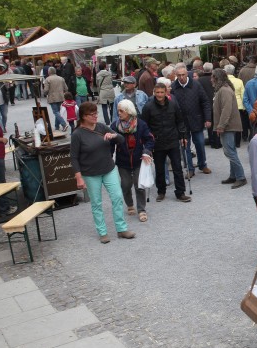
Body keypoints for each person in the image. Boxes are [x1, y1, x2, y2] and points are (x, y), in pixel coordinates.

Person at [69, 102, 135, 244]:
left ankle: (121, 229)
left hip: (108, 168)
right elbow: (73, 157)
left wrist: (113, 136)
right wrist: (78, 177)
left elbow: (121, 139)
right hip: (90, 173)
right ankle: (102, 232)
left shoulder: (101, 127)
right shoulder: (77, 134)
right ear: (83, 116)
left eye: (96, 113)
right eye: (91, 114)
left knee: (117, 197)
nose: (95, 116)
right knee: (96, 203)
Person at [141, 83, 191, 204]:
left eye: (162, 92)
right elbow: (144, 125)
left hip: (172, 140)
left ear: (166, 93)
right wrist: (148, 139)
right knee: (159, 169)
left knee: (177, 167)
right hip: (157, 142)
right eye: (157, 92)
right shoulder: (148, 107)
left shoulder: (173, 104)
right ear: (154, 92)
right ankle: (161, 191)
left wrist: (183, 135)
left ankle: (180, 192)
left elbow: (180, 121)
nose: (159, 95)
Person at [112, 98, 155, 222]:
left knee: (139, 185)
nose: (119, 113)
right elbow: (110, 143)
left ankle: (141, 210)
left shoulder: (141, 124)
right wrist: (108, 157)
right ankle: (130, 204)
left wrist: (146, 151)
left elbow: (150, 139)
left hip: (138, 160)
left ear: (129, 111)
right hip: (123, 161)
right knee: (125, 185)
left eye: (121, 111)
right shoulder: (115, 126)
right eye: (118, 111)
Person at [171, 63, 212, 176]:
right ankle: (190, 168)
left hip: (196, 119)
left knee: (200, 143)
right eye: (179, 75)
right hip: (182, 123)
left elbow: (205, 102)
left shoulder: (196, 84)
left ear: (187, 74)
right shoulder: (173, 87)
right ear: (176, 75)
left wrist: (207, 118)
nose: (181, 77)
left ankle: (202, 164)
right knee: (185, 146)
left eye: (183, 74)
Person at [212, 68, 246, 188]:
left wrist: (221, 126)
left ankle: (241, 177)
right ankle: (234, 175)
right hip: (228, 125)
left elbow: (226, 109)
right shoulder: (224, 89)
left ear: (216, 78)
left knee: (230, 152)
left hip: (228, 126)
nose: (211, 79)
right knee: (231, 151)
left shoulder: (224, 90)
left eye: (212, 77)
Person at [44, 66, 68, 132]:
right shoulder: (61, 78)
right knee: (58, 112)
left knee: (55, 112)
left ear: (49, 72)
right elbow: (66, 88)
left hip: (53, 97)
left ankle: (63, 124)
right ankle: (56, 126)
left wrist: (45, 93)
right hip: (61, 97)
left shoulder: (48, 79)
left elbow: (46, 90)